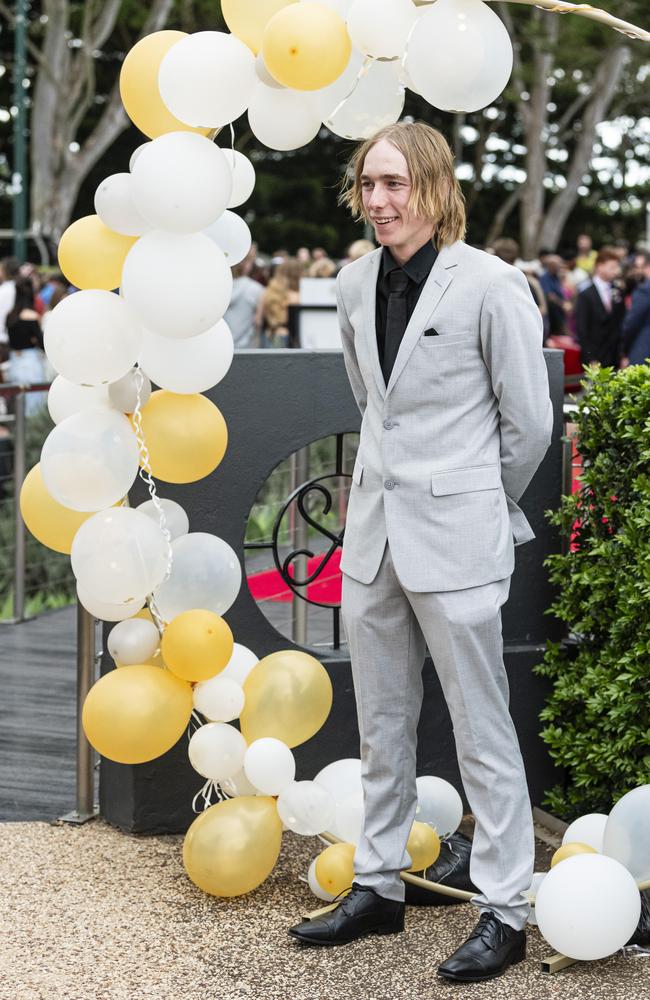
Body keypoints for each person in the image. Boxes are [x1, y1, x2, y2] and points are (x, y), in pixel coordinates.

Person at [288, 122, 553, 983]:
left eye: (395, 185)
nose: (378, 201)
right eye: (368, 185)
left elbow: (530, 425)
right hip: (373, 539)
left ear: (435, 188)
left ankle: (507, 909)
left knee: (482, 734)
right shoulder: (354, 280)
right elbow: (375, 405)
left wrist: (473, 500)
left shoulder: (493, 284)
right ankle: (378, 887)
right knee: (382, 726)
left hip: (460, 542)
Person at [574, 246, 626, 368]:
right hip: (594, 357)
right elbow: (582, 329)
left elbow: (622, 323)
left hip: (614, 358)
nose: (616, 271)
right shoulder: (585, 294)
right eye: (612, 267)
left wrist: (623, 354)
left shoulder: (618, 290)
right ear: (599, 266)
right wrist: (590, 358)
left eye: (617, 267)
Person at [6, 276, 46, 415]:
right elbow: (42, 343)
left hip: (15, 361)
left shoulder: (10, 316)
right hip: (30, 361)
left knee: (18, 402)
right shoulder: (31, 316)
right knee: (34, 404)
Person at [256, 258, 302, 347]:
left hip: (272, 335)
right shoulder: (299, 296)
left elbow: (258, 320)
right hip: (293, 338)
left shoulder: (269, 291)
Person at [223, 261, 264, 349]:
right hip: (246, 345)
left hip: (222, 344)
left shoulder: (220, 288)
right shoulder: (257, 289)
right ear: (246, 266)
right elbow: (258, 321)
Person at [621, 251, 650, 366]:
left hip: (643, 353)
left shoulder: (644, 290)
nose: (636, 271)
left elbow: (631, 325)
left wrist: (624, 351)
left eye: (638, 267)